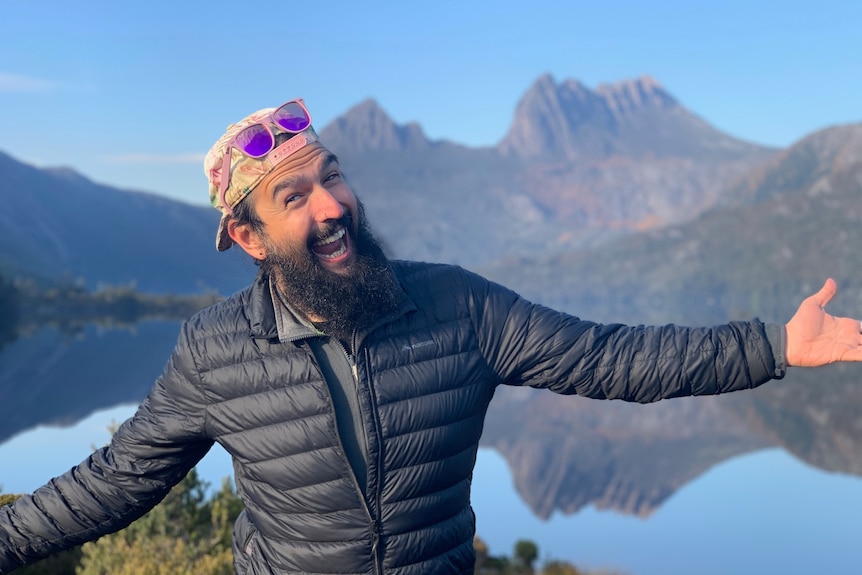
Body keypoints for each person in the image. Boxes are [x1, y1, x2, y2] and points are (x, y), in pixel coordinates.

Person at [1, 98, 861, 575]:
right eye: (294, 197)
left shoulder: (456, 308)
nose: (331, 205)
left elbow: (611, 358)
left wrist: (774, 346)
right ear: (251, 239)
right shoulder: (214, 354)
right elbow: (116, 482)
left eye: (329, 177)